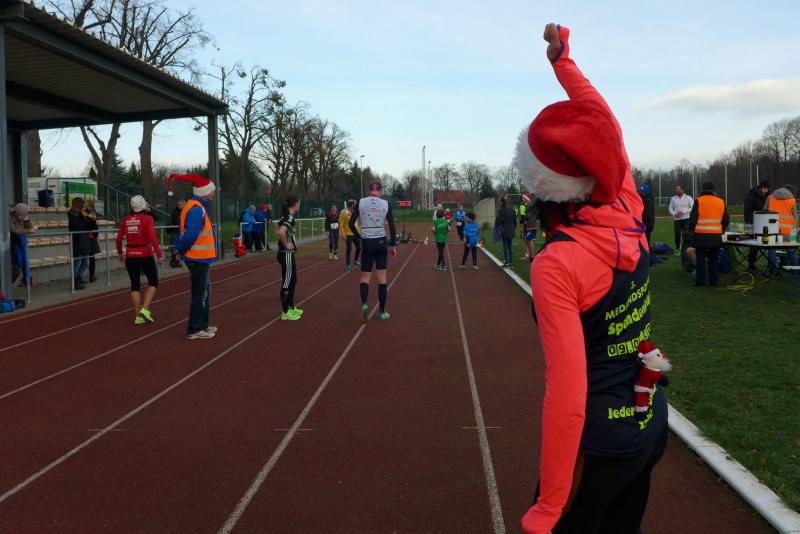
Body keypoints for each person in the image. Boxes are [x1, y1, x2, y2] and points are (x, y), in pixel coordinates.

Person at [517, 24, 668, 534]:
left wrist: (550, 503)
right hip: (649, 419)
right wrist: (564, 62)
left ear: (541, 184)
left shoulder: (557, 262)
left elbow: (566, 393)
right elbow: (604, 123)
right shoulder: (624, 198)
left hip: (600, 442)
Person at [169, 173, 218, 340]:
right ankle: (195, 328)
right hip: (197, 258)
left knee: (205, 291)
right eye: (211, 191)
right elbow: (190, 235)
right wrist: (179, 250)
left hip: (198, 257)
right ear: (204, 192)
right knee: (200, 293)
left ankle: (202, 325)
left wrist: (179, 250)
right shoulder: (197, 209)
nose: (213, 194)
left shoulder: (196, 206)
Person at [349, 181, 398, 322]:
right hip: (381, 241)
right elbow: (392, 226)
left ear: (369, 190)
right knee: (382, 278)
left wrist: (359, 236)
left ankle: (365, 303)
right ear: (380, 191)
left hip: (367, 241)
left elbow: (351, 223)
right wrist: (393, 245)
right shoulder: (386, 204)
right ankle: (382, 312)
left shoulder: (361, 202)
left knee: (365, 277)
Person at [116, 195, 162, 325]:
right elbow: (153, 238)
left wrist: (120, 253)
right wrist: (159, 254)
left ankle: (137, 316)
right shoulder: (148, 219)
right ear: (144, 205)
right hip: (145, 254)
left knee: (135, 286)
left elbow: (118, 239)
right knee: (153, 282)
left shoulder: (125, 219)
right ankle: (145, 309)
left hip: (130, 254)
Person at [689, 181, 729, 287]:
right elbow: (726, 219)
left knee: (700, 259)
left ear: (702, 189)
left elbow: (693, 219)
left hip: (700, 235)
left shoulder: (698, 201)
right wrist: (721, 230)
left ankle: (700, 281)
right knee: (713, 259)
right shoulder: (721, 201)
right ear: (713, 190)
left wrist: (692, 230)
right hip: (715, 235)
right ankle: (713, 281)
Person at [276, 195, 303, 321]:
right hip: (285, 253)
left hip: (288, 254)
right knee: (287, 282)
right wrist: (286, 244)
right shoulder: (289, 217)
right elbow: (281, 231)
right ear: (295, 204)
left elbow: (277, 227)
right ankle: (285, 312)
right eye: (299, 203)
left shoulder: (286, 216)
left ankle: (291, 307)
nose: (300, 205)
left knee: (293, 279)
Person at [764, 184, 798, 275]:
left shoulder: (770, 198)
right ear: (791, 192)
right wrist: (794, 235)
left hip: (772, 230)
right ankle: (795, 273)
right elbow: (795, 218)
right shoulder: (792, 200)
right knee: (791, 252)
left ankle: (774, 272)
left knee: (771, 250)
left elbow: (764, 213)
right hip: (788, 231)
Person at [67, 197, 94, 290]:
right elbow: (79, 226)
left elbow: (89, 225)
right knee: (77, 262)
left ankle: (78, 277)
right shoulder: (71, 215)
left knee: (86, 262)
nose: (83, 207)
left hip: (84, 240)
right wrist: (88, 218)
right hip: (77, 241)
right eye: (82, 205)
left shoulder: (81, 214)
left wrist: (89, 215)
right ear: (77, 205)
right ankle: (74, 282)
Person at [10, 203, 38, 286]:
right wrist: (28, 231)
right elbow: (13, 230)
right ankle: (4, 287)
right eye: (26, 212)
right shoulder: (11, 218)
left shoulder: (23, 218)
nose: (27, 214)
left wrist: (27, 220)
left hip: (21, 245)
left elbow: (30, 227)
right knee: (15, 270)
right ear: (21, 213)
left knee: (22, 267)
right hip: (14, 246)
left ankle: (26, 281)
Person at [743, 181, 769, 271]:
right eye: (764, 188)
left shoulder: (764, 197)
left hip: (762, 225)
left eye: (767, 189)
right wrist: (751, 225)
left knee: (758, 245)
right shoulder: (751, 196)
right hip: (752, 225)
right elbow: (748, 212)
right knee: (753, 246)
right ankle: (751, 266)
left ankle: (753, 266)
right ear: (760, 188)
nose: (766, 191)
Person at [668, 185, 693, 255]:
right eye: (676, 189)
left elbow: (692, 207)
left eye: (678, 189)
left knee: (685, 235)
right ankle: (677, 248)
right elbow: (670, 208)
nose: (677, 191)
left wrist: (684, 212)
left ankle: (685, 249)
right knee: (677, 235)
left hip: (686, 219)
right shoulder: (673, 198)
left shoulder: (688, 198)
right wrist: (674, 214)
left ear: (682, 190)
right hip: (677, 220)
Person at [340, 199, 361, 271]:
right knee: (349, 249)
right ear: (352, 205)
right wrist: (343, 234)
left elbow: (357, 223)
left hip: (355, 233)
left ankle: (355, 260)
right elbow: (341, 224)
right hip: (348, 234)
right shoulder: (344, 212)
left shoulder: (355, 212)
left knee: (359, 248)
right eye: (355, 204)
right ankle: (348, 265)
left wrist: (359, 231)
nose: (356, 205)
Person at [495, 196, 516, 267]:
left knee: (505, 247)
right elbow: (515, 220)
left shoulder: (501, 211)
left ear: (501, 202)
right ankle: (511, 261)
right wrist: (513, 227)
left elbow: (499, 221)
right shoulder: (512, 209)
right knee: (510, 247)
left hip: (505, 230)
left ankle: (507, 262)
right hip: (511, 229)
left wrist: (497, 219)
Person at [167, 199, 185, 268]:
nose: (180, 206)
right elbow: (175, 220)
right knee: (174, 247)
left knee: (178, 247)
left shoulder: (185, 211)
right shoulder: (175, 211)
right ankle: (173, 262)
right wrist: (181, 218)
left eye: (182, 204)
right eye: (179, 204)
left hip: (180, 232)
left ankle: (176, 262)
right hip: (174, 232)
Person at [521, 192, 538, 261]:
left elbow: (530, 215)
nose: (522, 199)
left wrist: (525, 218)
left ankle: (532, 257)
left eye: (523, 198)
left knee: (529, 240)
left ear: (527, 198)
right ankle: (530, 256)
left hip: (532, 225)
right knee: (527, 240)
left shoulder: (531, 204)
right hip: (529, 225)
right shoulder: (528, 205)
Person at [638, 184, 656, 249]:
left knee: (646, 241)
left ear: (645, 192)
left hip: (647, 225)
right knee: (644, 241)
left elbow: (648, 215)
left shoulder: (648, 201)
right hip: (645, 224)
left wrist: (648, 226)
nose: (639, 193)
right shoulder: (644, 200)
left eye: (641, 192)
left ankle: (647, 252)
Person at [86, 207, 101, 283]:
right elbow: (88, 227)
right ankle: (78, 278)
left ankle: (92, 276)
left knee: (92, 259)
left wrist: (93, 220)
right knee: (86, 259)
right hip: (86, 240)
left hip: (91, 240)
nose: (93, 215)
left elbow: (96, 231)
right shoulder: (85, 219)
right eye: (91, 213)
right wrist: (92, 219)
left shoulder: (92, 220)